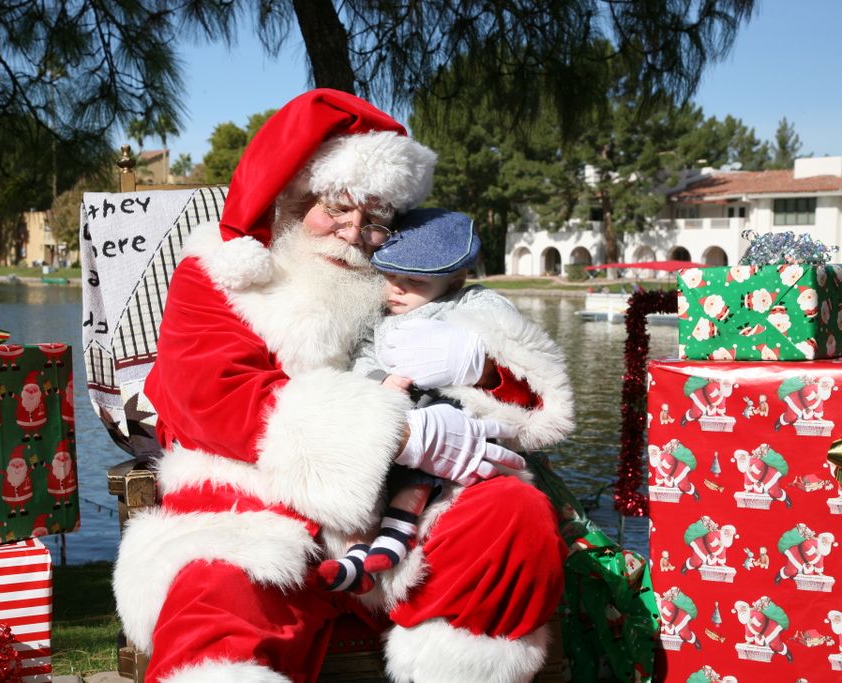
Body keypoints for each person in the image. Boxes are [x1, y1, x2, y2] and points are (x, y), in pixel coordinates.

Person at [113, 89, 574, 683]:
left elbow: (527, 397)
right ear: (291, 197)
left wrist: (480, 370)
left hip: (399, 516)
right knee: (214, 600)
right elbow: (212, 399)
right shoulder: (218, 277)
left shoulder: (394, 285)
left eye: (376, 218)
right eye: (336, 206)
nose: (354, 231)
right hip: (251, 511)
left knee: (512, 514)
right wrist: (401, 434)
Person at [319, 208, 534, 591]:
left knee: (434, 439)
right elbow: (365, 353)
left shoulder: (467, 303)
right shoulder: (381, 317)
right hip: (397, 415)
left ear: (454, 280)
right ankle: (355, 551)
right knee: (358, 461)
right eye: (389, 276)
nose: (396, 289)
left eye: (414, 281)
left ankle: (397, 532)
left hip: (452, 417)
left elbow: (506, 328)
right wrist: (379, 379)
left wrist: (473, 354)